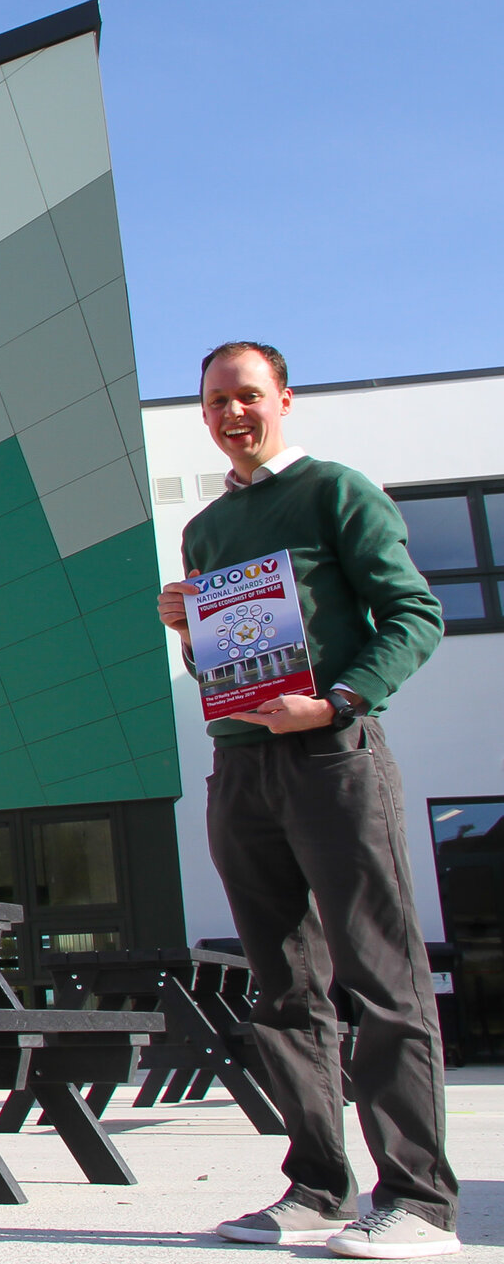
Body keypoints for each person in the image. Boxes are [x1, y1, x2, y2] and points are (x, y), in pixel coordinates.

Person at [158, 342, 458, 1259]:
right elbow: (217, 665)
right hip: (239, 767)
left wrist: (336, 701)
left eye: (247, 395)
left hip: (331, 755)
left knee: (380, 975)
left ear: (282, 398)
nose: (231, 412)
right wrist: (187, 630)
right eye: (215, 400)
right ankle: (317, 1186)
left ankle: (419, 1201)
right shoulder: (205, 531)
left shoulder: (336, 490)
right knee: (282, 987)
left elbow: (415, 614)